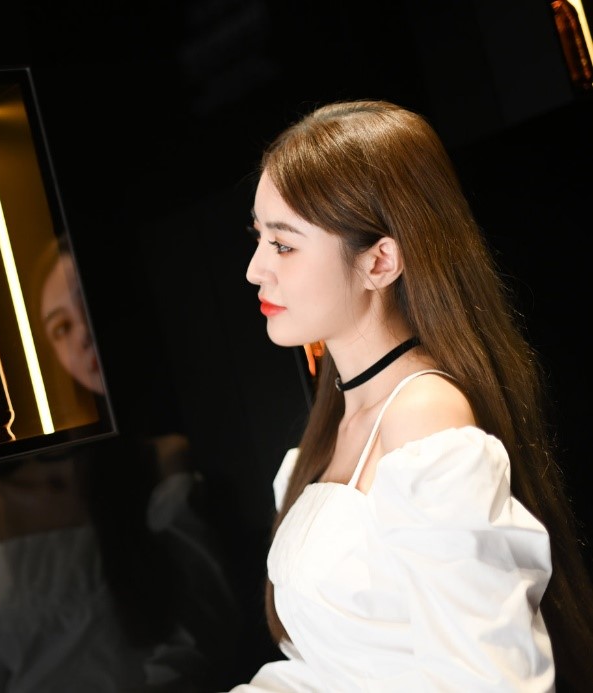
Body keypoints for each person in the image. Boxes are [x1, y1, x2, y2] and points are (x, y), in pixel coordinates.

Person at [228, 99, 593, 691]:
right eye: (259, 236)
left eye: (284, 244)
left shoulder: (423, 417)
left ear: (380, 261)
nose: (255, 269)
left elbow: (491, 679)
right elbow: (327, 670)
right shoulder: (344, 417)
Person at [0, 235, 239, 692]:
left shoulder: (159, 465)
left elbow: (210, 635)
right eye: (61, 327)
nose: (82, 335)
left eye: (88, 310)